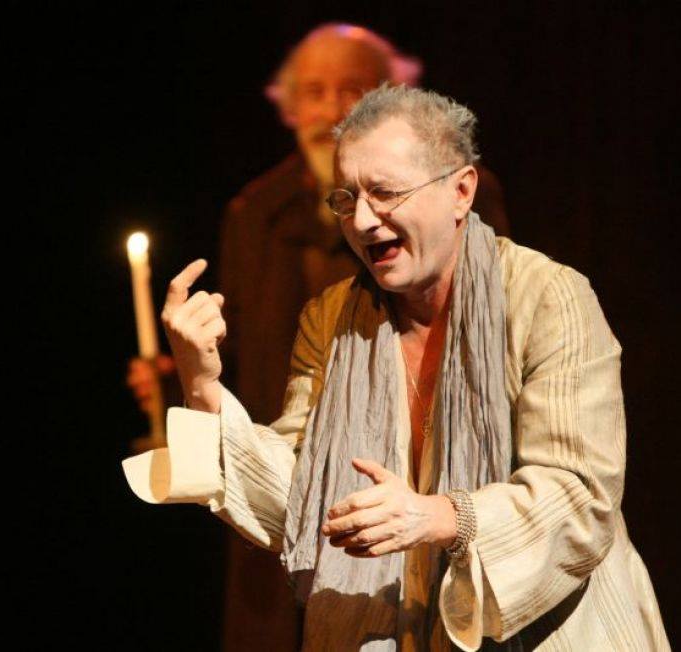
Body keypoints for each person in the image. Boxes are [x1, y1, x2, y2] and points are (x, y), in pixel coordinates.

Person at [123, 84, 669, 650]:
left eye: (384, 193)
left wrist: (442, 518)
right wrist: (203, 384)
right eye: (346, 199)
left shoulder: (547, 299)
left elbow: (580, 494)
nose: (362, 220)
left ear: (461, 191)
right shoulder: (330, 321)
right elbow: (302, 499)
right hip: (382, 627)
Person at [125, 25, 511, 650]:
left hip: (423, 482)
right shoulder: (256, 211)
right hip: (286, 463)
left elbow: (488, 321)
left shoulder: (461, 194)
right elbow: (239, 348)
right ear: (288, 105)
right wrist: (183, 377)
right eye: (314, 91)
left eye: (351, 89)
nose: (332, 108)